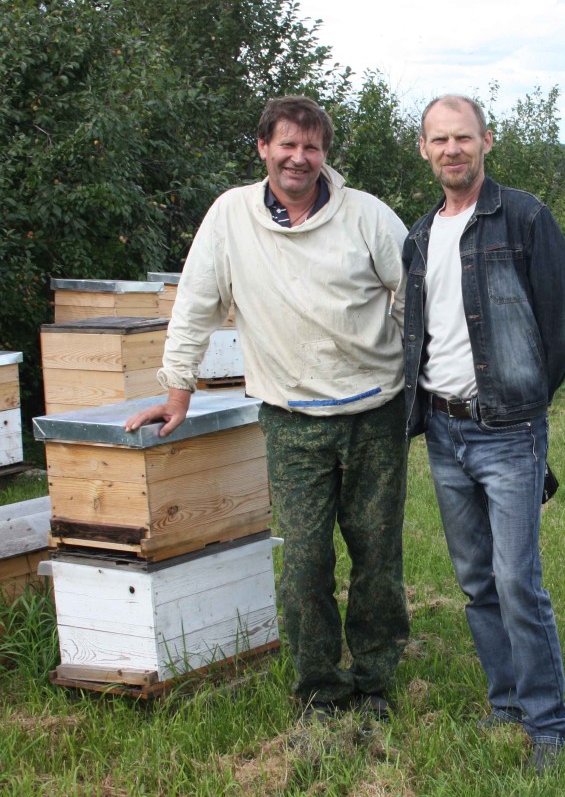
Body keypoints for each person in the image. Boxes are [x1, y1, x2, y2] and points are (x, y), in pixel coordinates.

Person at [125, 96, 410, 722]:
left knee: (377, 554)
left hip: (375, 414)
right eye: (287, 145)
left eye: (311, 147)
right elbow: (196, 304)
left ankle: (375, 678)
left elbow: (412, 295)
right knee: (305, 561)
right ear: (263, 148)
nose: (298, 158)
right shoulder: (230, 216)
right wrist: (178, 390)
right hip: (291, 419)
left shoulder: (368, 217)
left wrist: (418, 378)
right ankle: (320, 689)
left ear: (325, 155)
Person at [401, 94, 565, 773]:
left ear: (487, 142)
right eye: (440, 139)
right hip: (444, 432)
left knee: (517, 580)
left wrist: (528, 397)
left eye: (464, 138)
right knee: (476, 579)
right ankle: (506, 704)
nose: (453, 150)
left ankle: (550, 727)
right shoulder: (419, 236)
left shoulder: (524, 217)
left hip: (508, 432)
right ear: (424, 149)